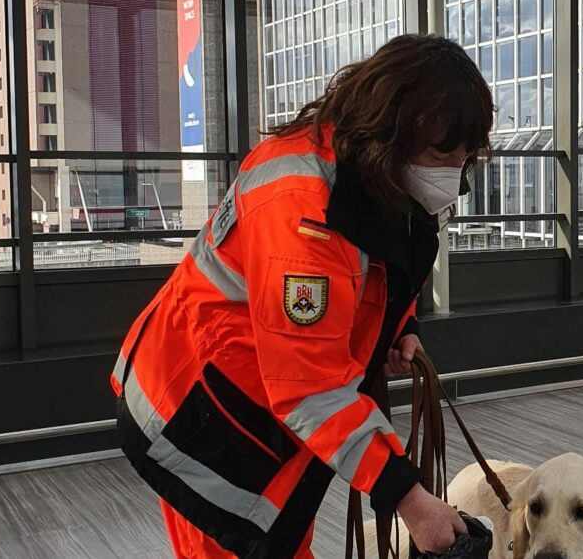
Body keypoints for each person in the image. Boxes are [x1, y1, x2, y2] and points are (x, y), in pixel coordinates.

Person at [110, 35, 494, 558]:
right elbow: (309, 389)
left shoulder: (375, 173)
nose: (453, 170)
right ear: (391, 131)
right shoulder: (303, 208)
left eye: (465, 155)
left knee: (283, 539)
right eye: (442, 152)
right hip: (199, 424)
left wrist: (402, 328)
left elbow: (384, 267)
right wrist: (411, 501)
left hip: (269, 420)